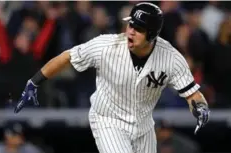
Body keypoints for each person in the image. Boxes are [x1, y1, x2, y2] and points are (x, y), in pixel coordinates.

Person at [14, 2, 210, 153]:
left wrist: (200, 107)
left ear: (152, 35)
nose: (131, 31)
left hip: (143, 124)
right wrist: (34, 82)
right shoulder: (106, 46)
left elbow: (192, 93)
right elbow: (67, 57)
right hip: (108, 119)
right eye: (130, 25)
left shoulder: (170, 57)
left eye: (138, 29)